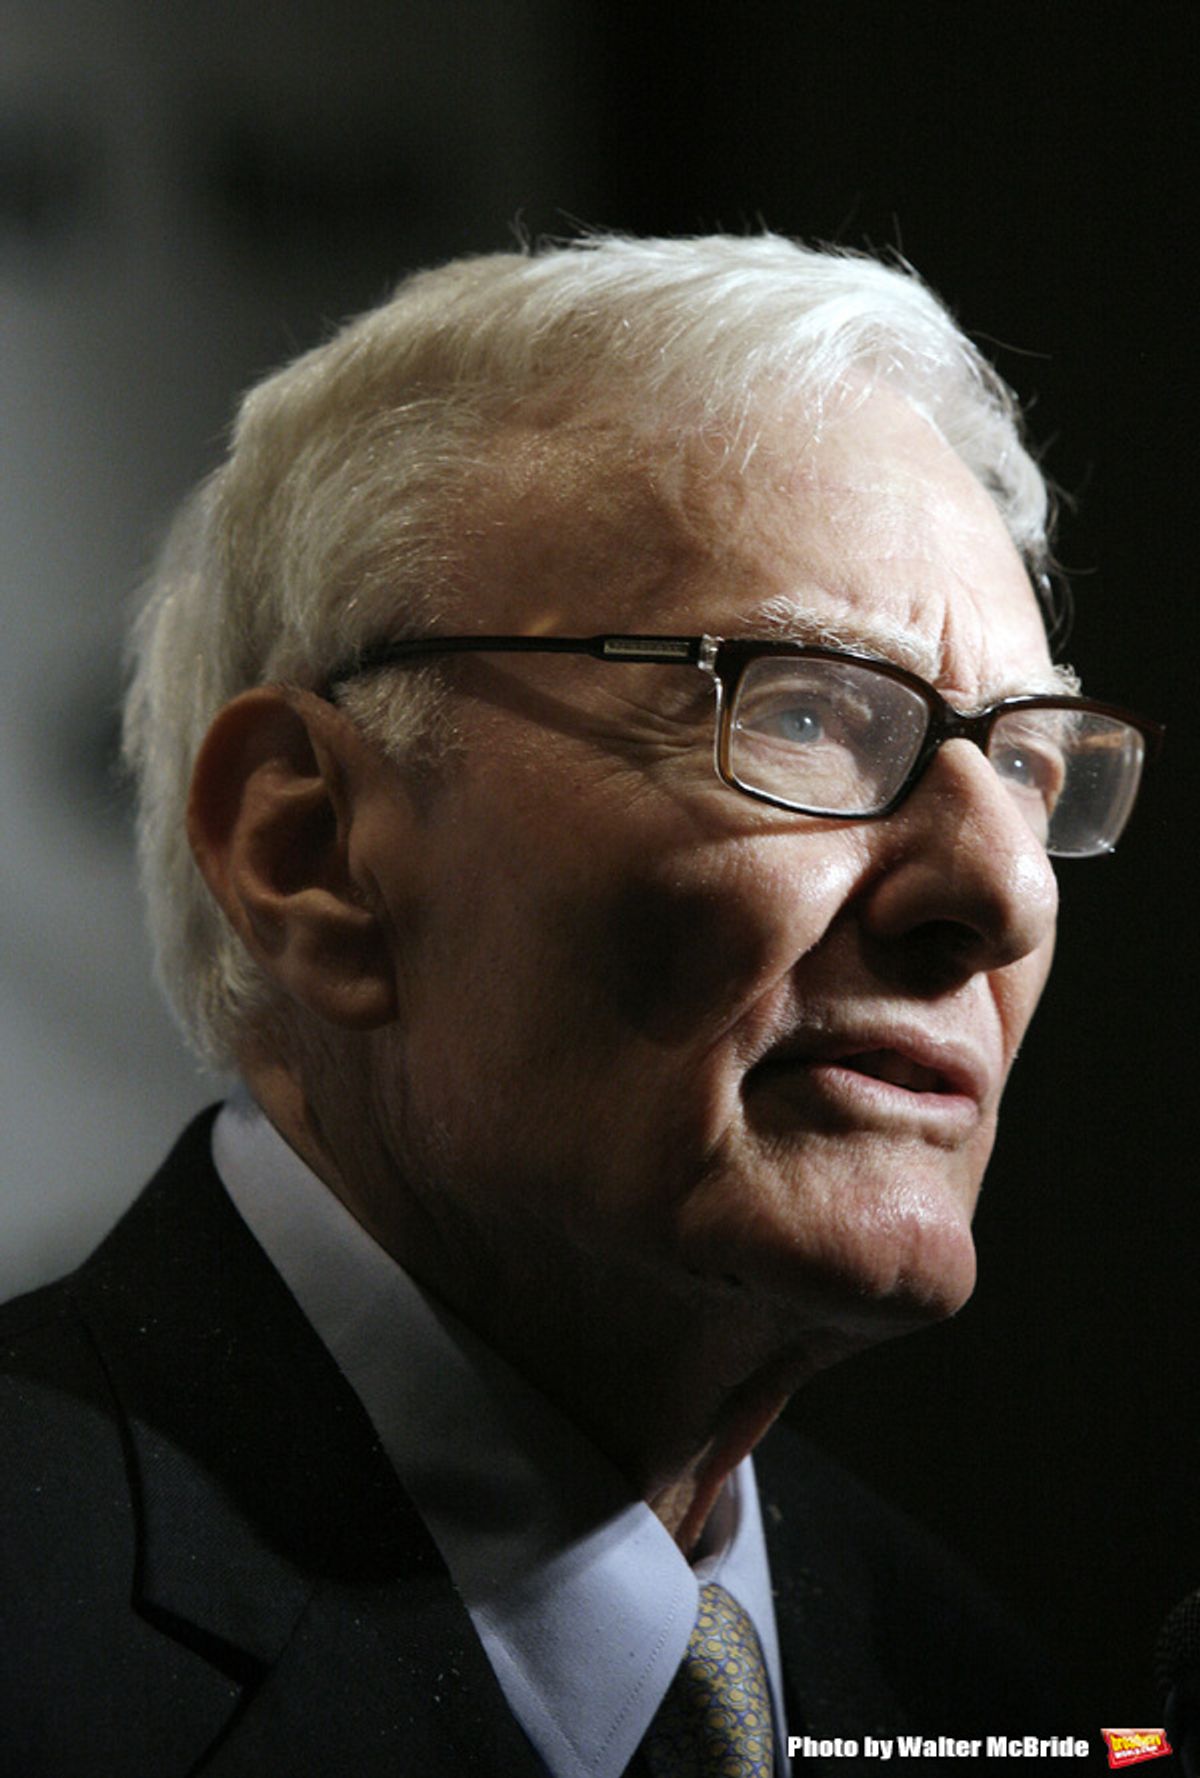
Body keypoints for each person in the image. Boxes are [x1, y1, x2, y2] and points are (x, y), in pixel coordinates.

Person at [0, 234, 1159, 1776]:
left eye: (1023, 764)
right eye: (807, 709)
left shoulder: (1001, 1695)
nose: (1000, 889)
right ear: (312, 851)